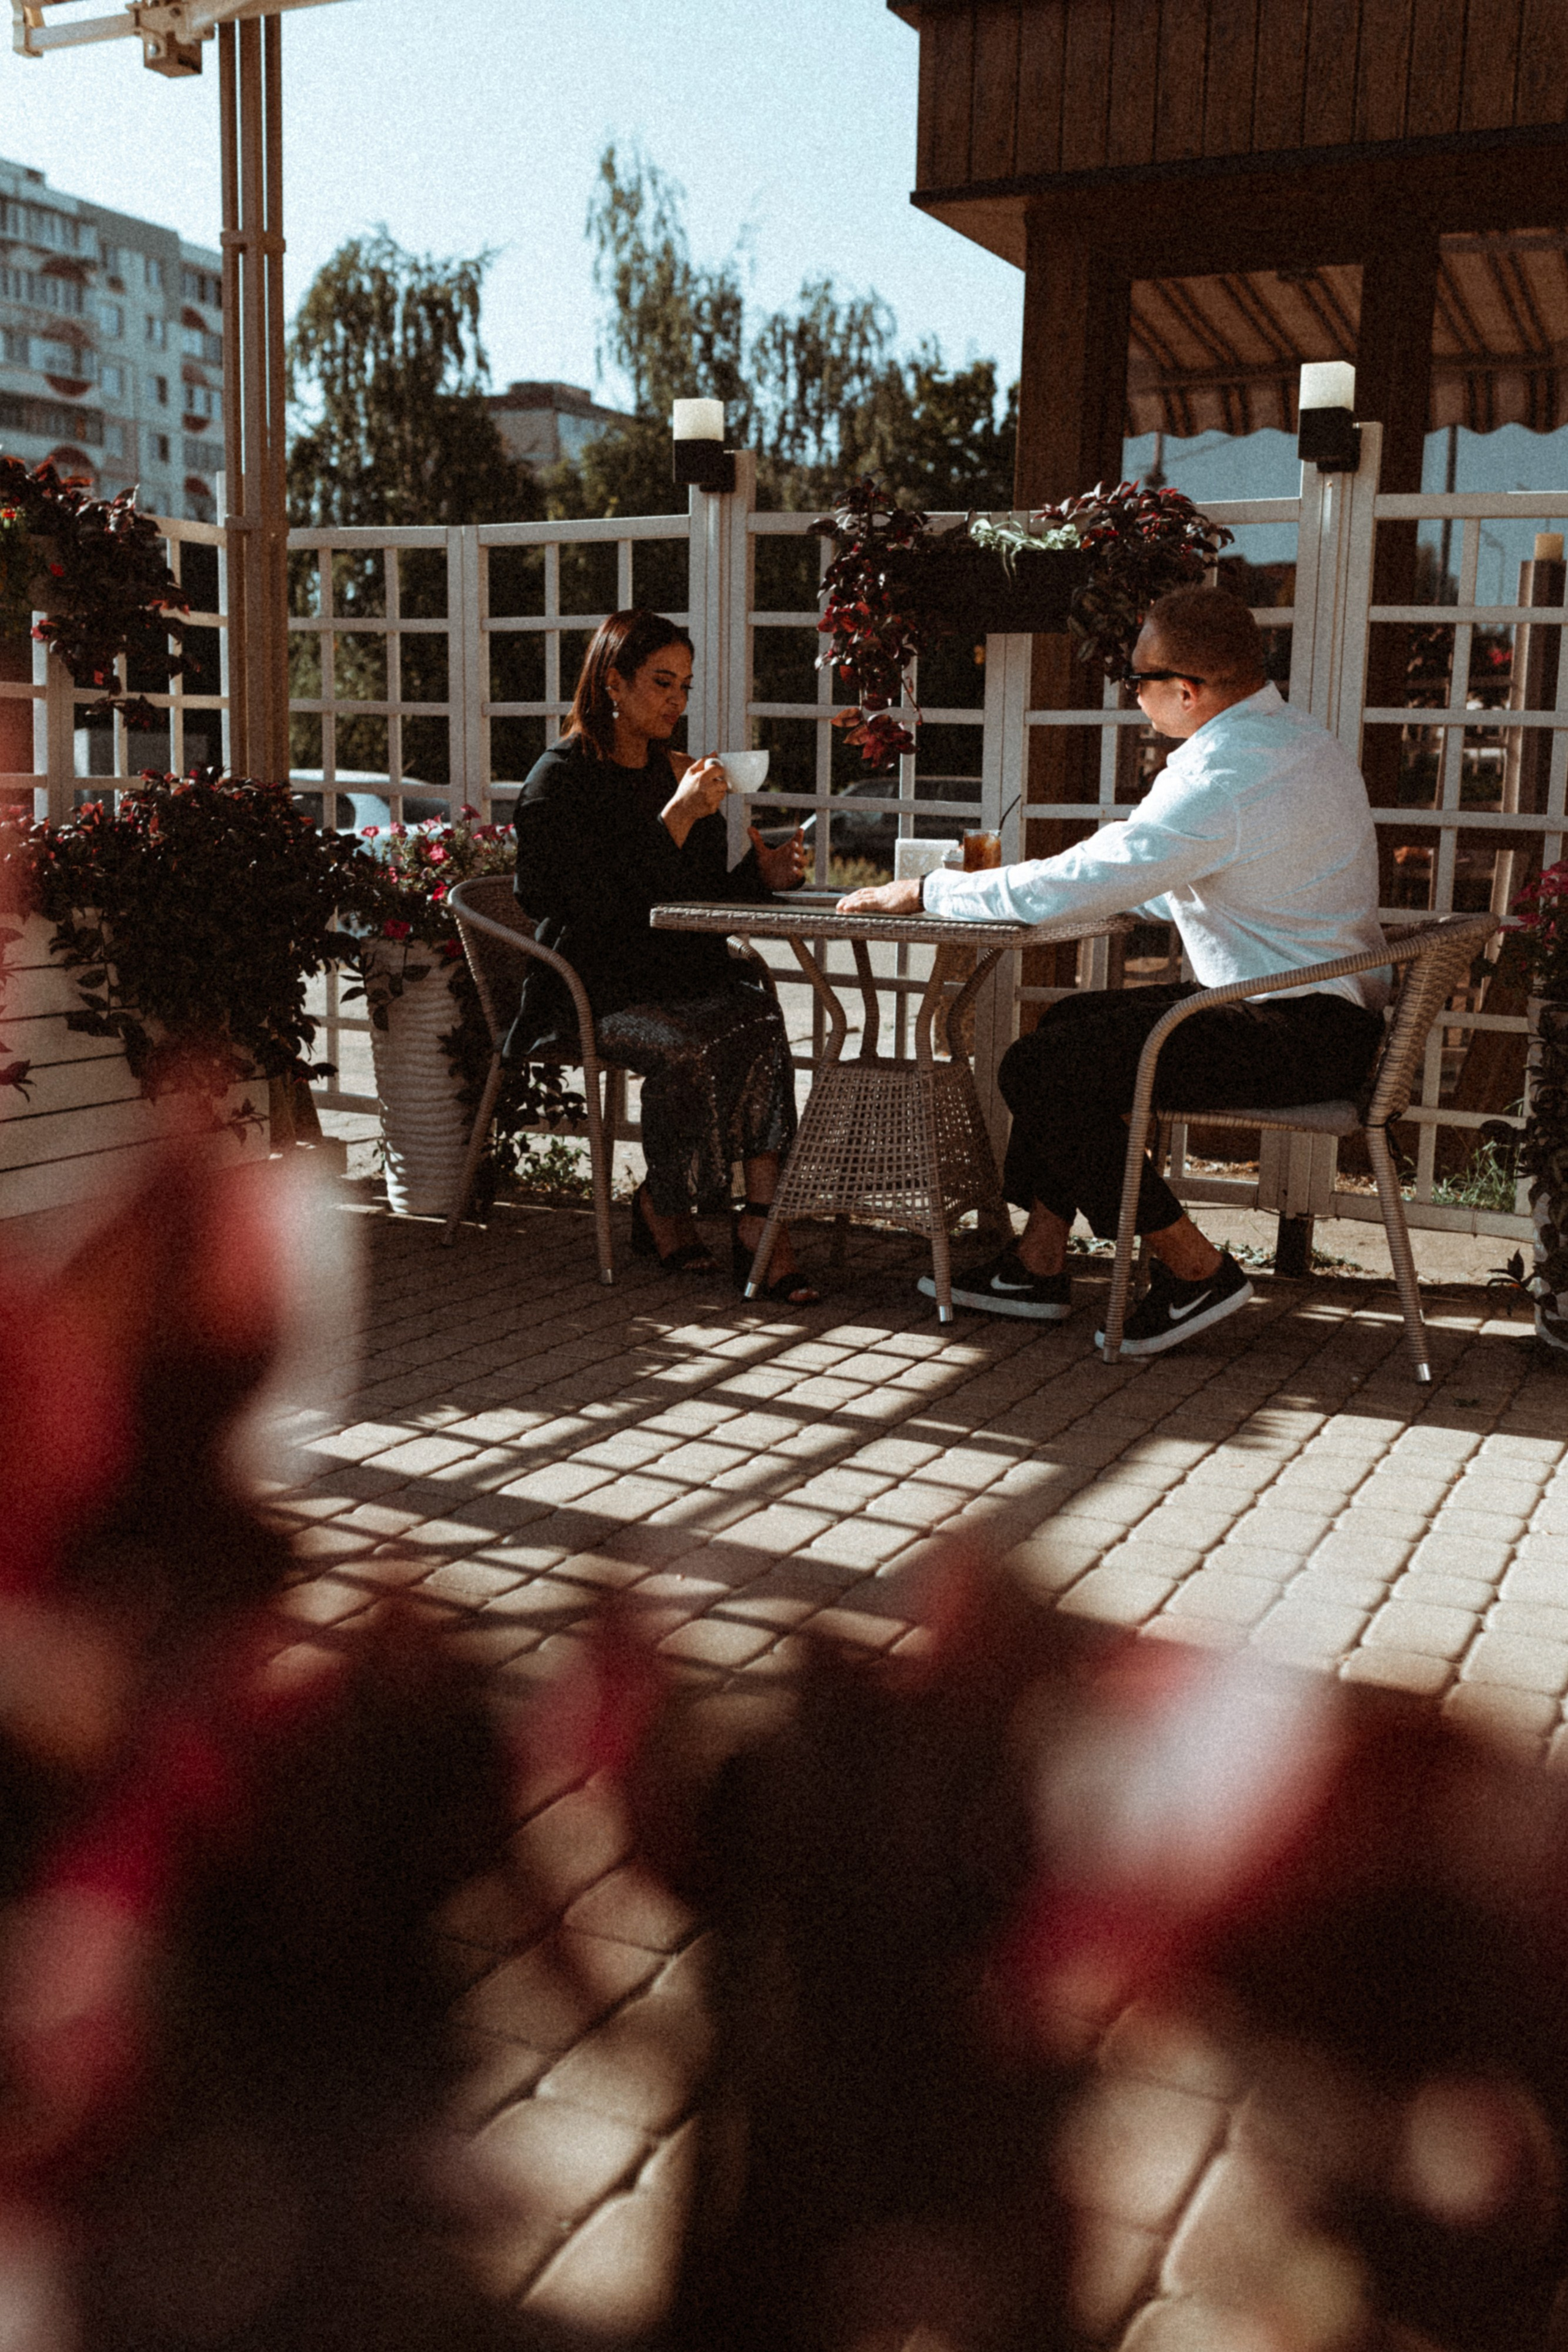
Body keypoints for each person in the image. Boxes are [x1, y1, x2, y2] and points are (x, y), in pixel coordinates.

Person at [839, 587, 1390, 1355]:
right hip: (1314, 1015)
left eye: (1137, 680)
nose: (1132, 695)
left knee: (1039, 1070)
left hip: (1292, 1029)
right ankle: (1037, 1264)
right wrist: (1138, 893)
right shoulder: (1293, 741)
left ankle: (1195, 1272)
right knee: (1066, 1029)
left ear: (1186, 691)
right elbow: (1217, 874)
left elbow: (1088, 877)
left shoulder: (1219, 773)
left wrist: (930, 890)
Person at [509, 608, 818, 1302]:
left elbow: (695, 897)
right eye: (660, 683)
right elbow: (565, 903)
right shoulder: (560, 780)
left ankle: (763, 1226)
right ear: (612, 683)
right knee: (689, 1043)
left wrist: (759, 880)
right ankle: (664, 1206)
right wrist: (675, 816)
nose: (677, 702)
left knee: (760, 1020)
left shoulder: (678, 772)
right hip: (595, 987)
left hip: (680, 973)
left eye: (683, 685)